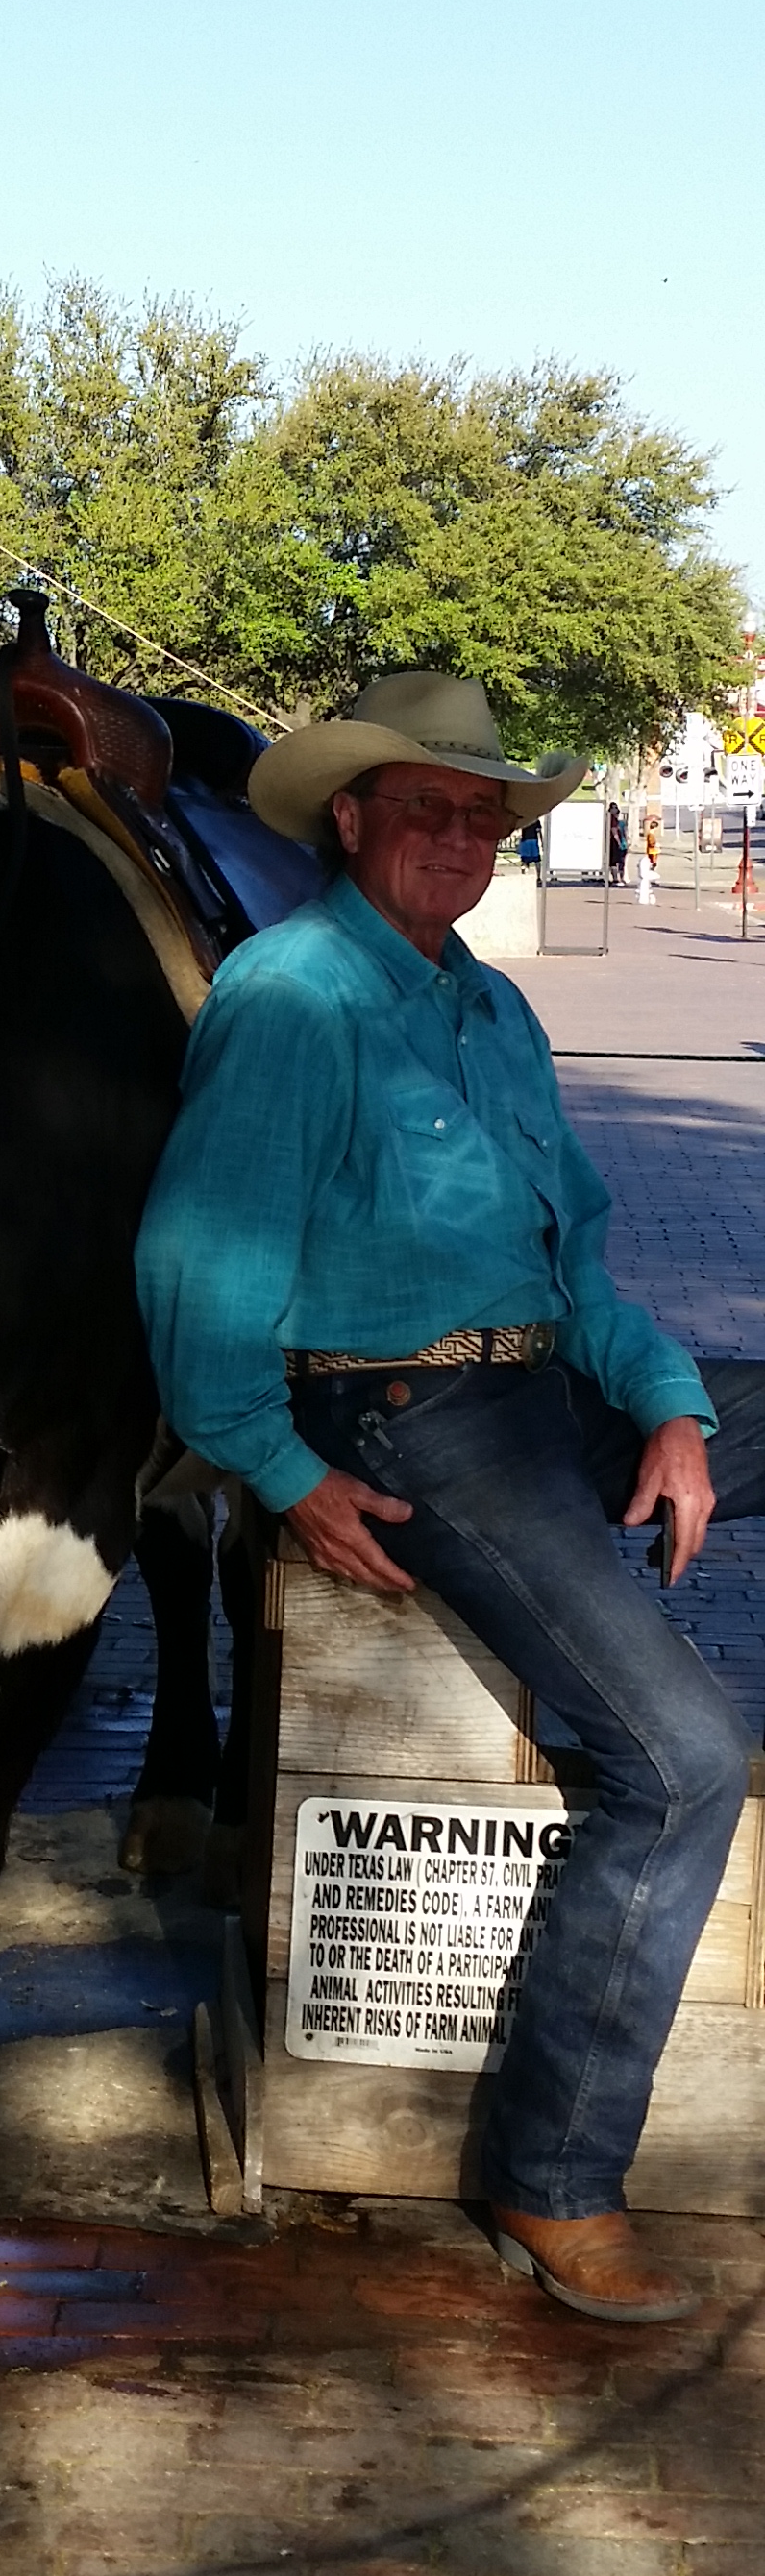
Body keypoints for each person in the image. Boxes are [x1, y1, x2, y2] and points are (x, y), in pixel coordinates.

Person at [136, 673, 759, 2324]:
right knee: (681, 1762)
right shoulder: (292, 996)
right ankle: (553, 2173)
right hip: (412, 1420)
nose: (461, 840)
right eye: (427, 809)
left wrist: (674, 1409)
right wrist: (280, 1471)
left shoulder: (488, 1009)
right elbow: (196, 1266)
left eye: (484, 816)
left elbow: (586, 1268)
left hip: (547, 1392)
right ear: (350, 818)